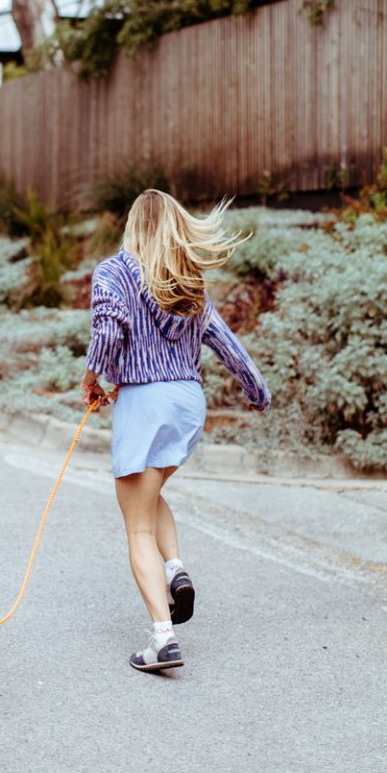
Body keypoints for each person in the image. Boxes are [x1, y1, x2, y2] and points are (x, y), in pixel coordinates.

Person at [81, 189, 271, 673]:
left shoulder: (115, 272)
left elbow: (108, 329)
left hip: (145, 401)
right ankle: (176, 568)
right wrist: (257, 390)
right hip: (187, 403)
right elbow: (225, 342)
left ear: (131, 227)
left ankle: (162, 640)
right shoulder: (189, 282)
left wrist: (93, 377)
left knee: (136, 523)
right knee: (149, 493)